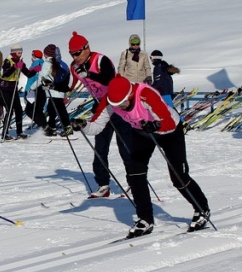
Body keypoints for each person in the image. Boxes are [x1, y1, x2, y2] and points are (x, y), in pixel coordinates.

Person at [73, 75, 211, 238]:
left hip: (170, 131)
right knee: (135, 174)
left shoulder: (146, 94)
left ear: (130, 95)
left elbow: (168, 122)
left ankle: (201, 209)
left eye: (122, 103)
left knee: (178, 176)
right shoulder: (110, 100)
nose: (120, 108)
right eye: (115, 104)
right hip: (141, 132)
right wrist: (83, 125)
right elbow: (96, 126)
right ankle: (145, 219)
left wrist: (155, 125)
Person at [68, 32, 132, 198]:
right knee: (100, 148)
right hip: (100, 107)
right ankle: (103, 184)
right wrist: (53, 86)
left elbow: (109, 80)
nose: (75, 57)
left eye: (77, 53)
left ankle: (134, 182)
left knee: (124, 147)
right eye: (72, 54)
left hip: (116, 105)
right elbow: (70, 85)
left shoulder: (101, 60)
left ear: (86, 48)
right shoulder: (74, 67)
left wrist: (89, 74)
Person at [40, 44, 72, 137]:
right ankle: (52, 127)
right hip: (60, 90)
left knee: (59, 109)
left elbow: (43, 75)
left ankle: (66, 126)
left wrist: (44, 83)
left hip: (53, 90)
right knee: (52, 109)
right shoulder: (62, 63)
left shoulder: (48, 63)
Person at [0, 44, 30, 140]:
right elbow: (6, 74)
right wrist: (15, 67)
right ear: (14, 52)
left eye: (21, 52)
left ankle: (19, 132)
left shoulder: (20, 61)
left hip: (13, 89)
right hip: (4, 88)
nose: (20, 55)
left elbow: (27, 72)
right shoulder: (8, 61)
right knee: (10, 110)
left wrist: (35, 71)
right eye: (18, 53)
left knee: (19, 110)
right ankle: (5, 133)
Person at [23, 49, 45, 126]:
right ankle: (41, 123)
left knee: (29, 110)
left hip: (31, 89)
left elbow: (30, 75)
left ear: (35, 57)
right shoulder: (42, 63)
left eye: (33, 55)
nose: (31, 57)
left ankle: (41, 123)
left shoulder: (36, 64)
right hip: (37, 89)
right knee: (37, 109)